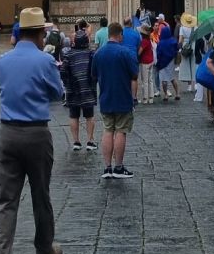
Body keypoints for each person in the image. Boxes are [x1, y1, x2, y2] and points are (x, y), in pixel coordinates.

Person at [0, 7, 66, 254]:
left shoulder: (3, 60)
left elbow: (3, 90)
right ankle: (44, 253)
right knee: (41, 197)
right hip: (36, 134)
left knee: (7, 201)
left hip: (8, 134)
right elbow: (57, 94)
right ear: (39, 33)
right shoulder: (44, 60)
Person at [90, 21, 139, 179]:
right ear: (120, 35)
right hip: (123, 97)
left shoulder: (98, 54)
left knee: (107, 130)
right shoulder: (125, 53)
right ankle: (118, 168)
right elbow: (134, 75)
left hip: (105, 97)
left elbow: (93, 75)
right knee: (120, 131)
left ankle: (107, 168)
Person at [60, 28, 97, 151]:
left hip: (72, 88)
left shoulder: (68, 54)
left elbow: (63, 71)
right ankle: (90, 141)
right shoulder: (91, 53)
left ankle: (76, 142)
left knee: (73, 115)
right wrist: (93, 81)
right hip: (87, 88)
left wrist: (67, 83)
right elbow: (95, 70)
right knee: (89, 116)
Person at [155, 21, 181, 102]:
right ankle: (177, 93)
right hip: (171, 62)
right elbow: (177, 48)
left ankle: (166, 95)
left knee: (164, 80)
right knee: (172, 78)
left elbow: (158, 53)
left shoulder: (161, 43)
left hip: (163, 63)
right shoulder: (173, 41)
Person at [136, 24, 156, 104]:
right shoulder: (149, 40)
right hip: (151, 61)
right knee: (150, 80)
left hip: (145, 62)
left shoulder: (144, 41)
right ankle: (151, 97)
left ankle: (145, 98)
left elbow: (139, 52)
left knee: (145, 81)